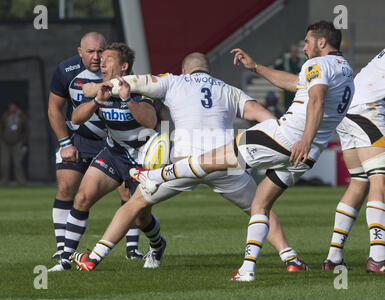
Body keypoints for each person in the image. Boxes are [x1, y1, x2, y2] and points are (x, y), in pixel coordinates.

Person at [126, 21, 354, 281]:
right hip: (307, 155)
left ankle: (155, 176)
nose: (304, 47)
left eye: (307, 41)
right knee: (260, 204)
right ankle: (247, 269)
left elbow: (317, 99)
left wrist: (304, 138)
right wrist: (255, 67)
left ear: (321, 42)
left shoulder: (318, 64)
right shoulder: (345, 69)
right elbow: (295, 84)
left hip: (287, 138)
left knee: (212, 159)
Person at [71, 52, 310, 273]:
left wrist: (94, 88)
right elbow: (263, 116)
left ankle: (94, 257)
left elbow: (130, 82)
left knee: (133, 204)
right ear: (208, 70)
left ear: (185, 70)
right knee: (260, 207)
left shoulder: (174, 81)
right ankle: (290, 258)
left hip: (185, 162)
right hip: (226, 162)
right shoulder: (229, 90)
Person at [48, 42, 166, 272]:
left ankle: (157, 244)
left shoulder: (141, 87)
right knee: (82, 197)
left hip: (144, 159)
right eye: (101, 58)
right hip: (115, 152)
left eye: (108, 59)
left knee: (141, 219)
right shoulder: (101, 87)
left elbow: (150, 121)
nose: (101, 62)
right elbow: (76, 119)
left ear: (124, 66)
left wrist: (127, 100)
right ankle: (65, 259)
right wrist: (95, 102)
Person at [322, 48, 385, 273]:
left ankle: (334, 257)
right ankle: (378, 258)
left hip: (346, 110)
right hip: (367, 111)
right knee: (380, 179)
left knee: (359, 181)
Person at [0, 100, 28, 185]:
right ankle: (4, 181)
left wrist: (23, 141)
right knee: (4, 163)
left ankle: (21, 182)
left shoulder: (21, 116)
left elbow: (26, 130)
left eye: (13, 106)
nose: (11, 108)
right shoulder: (5, 116)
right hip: (5, 143)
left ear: (16, 107)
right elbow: (1, 128)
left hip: (17, 143)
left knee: (17, 164)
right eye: (10, 106)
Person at [275, 45, 305, 111]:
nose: (293, 53)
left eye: (295, 51)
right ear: (290, 52)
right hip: (287, 88)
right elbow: (276, 69)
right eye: (292, 51)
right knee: (287, 106)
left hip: (298, 88)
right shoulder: (286, 62)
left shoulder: (303, 61)